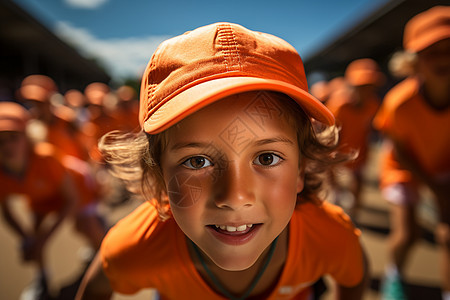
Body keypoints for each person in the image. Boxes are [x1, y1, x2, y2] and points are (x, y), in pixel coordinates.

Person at [76, 22, 369, 300]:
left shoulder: (329, 236)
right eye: (197, 162)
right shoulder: (136, 247)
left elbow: (355, 278)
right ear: (158, 178)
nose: (235, 196)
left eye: (267, 158)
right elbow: (96, 289)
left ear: (300, 170)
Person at [372, 6, 450, 300]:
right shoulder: (399, 102)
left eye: (449, 49)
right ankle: (394, 275)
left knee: (448, 235)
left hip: (443, 165)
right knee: (408, 233)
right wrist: (433, 187)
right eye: (432, 51)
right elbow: (399, 151)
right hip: (404, 168)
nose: (443, 58)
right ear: (413, 62)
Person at [0, 101, 78, 299]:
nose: (7, 146)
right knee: (35, 236)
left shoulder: (46, 156)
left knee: (87, 225)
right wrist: (27, 240)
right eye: (0, 141)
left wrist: (45, 238)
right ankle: (42, 278)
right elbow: (6, 211)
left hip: (75, 191)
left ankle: (99, 258)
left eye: (13, 137)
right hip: (40, 201)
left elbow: (72, 199)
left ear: (26, 137)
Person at [326, 58, 385, 218]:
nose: (366, 91)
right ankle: (336, 200)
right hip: (336, 151)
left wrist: (365, 153)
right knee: (335, 193)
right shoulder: (339, 105)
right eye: (362, 86)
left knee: (358, 184)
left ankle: (354, 214)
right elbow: (330, 137)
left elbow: (369, 131)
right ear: (352, 85)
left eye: (370, 86)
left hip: (358, 151)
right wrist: (332, 158)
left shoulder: (373, 104)